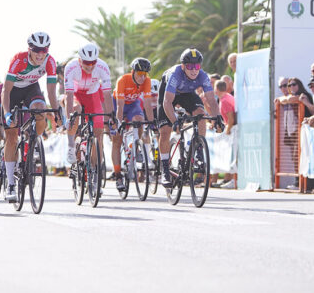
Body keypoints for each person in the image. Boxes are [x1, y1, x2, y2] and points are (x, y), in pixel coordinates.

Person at [1, 32, 62, 203]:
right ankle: (10, 185)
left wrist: (57, 112)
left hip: (31, 89)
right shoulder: (18, 60)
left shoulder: (50, 61)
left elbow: (51, 91)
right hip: (13, 92)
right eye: (36, 50)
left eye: (44, 50)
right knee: (11, 136)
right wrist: (7, 113)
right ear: (29, 49)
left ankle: (33, 142)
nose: (40, 54)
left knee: (41, 111)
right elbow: (6, 90)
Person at [156, 48, 224, 188]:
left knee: (200, 114)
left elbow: (211, 100)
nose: (194, 70)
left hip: (187, 94)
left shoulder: (203, 76)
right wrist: (174, 121)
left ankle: (198, 148)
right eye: (190, 66)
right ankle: (165, 169)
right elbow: (167, 102)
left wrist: (217, 118)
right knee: (165, 130)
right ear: (183, 66)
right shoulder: (175, 74)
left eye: (197, 66)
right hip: (168, 95)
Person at [63, 43, 114, 167]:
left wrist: (111, 116)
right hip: (76, 94)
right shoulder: (71, 67)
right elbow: (69, 95)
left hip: (92, 95)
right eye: (86, 62)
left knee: (99, 133)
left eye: (93, 62)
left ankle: (95, 170)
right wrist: (69, 118)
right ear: (80, 60)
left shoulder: (102, 66)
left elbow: (107, 94)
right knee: (76, 110)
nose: (90, 66)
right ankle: (71, 146)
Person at [112, 57, 155, 192]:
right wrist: (119, 123)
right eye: (140, 74)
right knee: (117, 139)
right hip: (118, 104)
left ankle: (136, 147)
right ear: (133, 72)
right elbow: (120, 106)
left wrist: (152, 123)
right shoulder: (123, 80)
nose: (143, 77)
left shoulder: (147, 81)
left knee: (139, 119)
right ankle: (118, 175)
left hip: (133, 104)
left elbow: (147, 104)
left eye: (145, 74)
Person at [213, 79, 236, 189]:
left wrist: (227, 130)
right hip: (232, 128)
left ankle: (232, 180)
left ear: (216, 89)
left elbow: (231, 119)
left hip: (233, 129)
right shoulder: (227, 97)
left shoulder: (225, 100)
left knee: (232, 155)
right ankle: (229, 179)